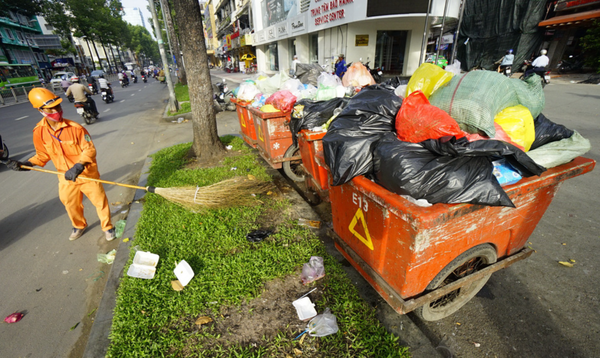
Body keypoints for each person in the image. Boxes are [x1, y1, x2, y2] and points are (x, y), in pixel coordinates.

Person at [5, 88, 116, 241]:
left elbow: (89, 149)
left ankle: (108, 227)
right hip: (65, 177)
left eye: (58, 106)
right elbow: (42, 155)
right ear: (40, 110)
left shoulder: (75, 128)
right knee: (70, 204)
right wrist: (26, 163)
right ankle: (79, 225)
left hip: (86, 174)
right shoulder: (39, 132)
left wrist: (79, 165)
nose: (57, 110)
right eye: (52, 108)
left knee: (100, 202)